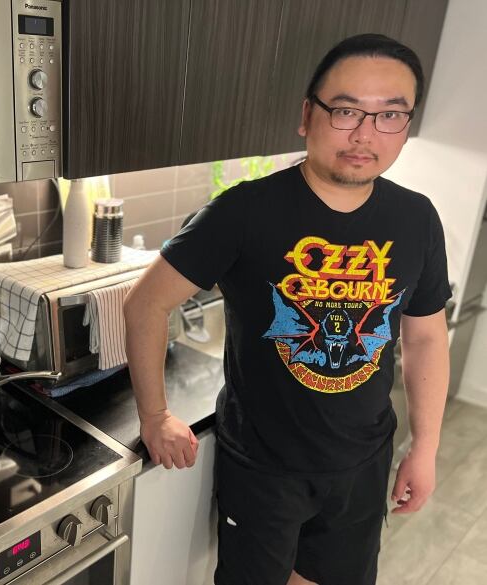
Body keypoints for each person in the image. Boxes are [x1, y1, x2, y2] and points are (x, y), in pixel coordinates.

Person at [124, 33, 451, 585]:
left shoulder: (417, 219)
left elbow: (424, 339)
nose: (364, 133)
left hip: (362, 463)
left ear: (407, 126)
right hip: (263, 468)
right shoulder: (243, 212)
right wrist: (154, 415)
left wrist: (426, 448)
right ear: (307, 115)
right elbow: (145, 305)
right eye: (346, 110)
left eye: (389, 115)